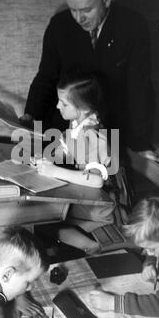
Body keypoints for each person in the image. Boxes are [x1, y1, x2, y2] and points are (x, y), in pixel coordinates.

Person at [21, 0, 159, 163]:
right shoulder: (59, 26)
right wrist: (30, 116)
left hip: (113, 136)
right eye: (72, 10)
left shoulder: (133, 27)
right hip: (65, 134)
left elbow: (140, 88)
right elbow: (46, 78)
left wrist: (140, 143)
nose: (79, 18)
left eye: (86, 10)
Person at [34, 71, 130, 255]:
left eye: (64, 103)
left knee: (44, 224)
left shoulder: (92, 134)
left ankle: (89, 245)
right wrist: (48, 158)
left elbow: (96, 181)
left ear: (83, 108)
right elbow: (67, 149)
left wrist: (54, 171)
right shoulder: (77, 122)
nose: (57, 106)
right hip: (85, 199)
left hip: (98, 210)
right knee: (43, 220)